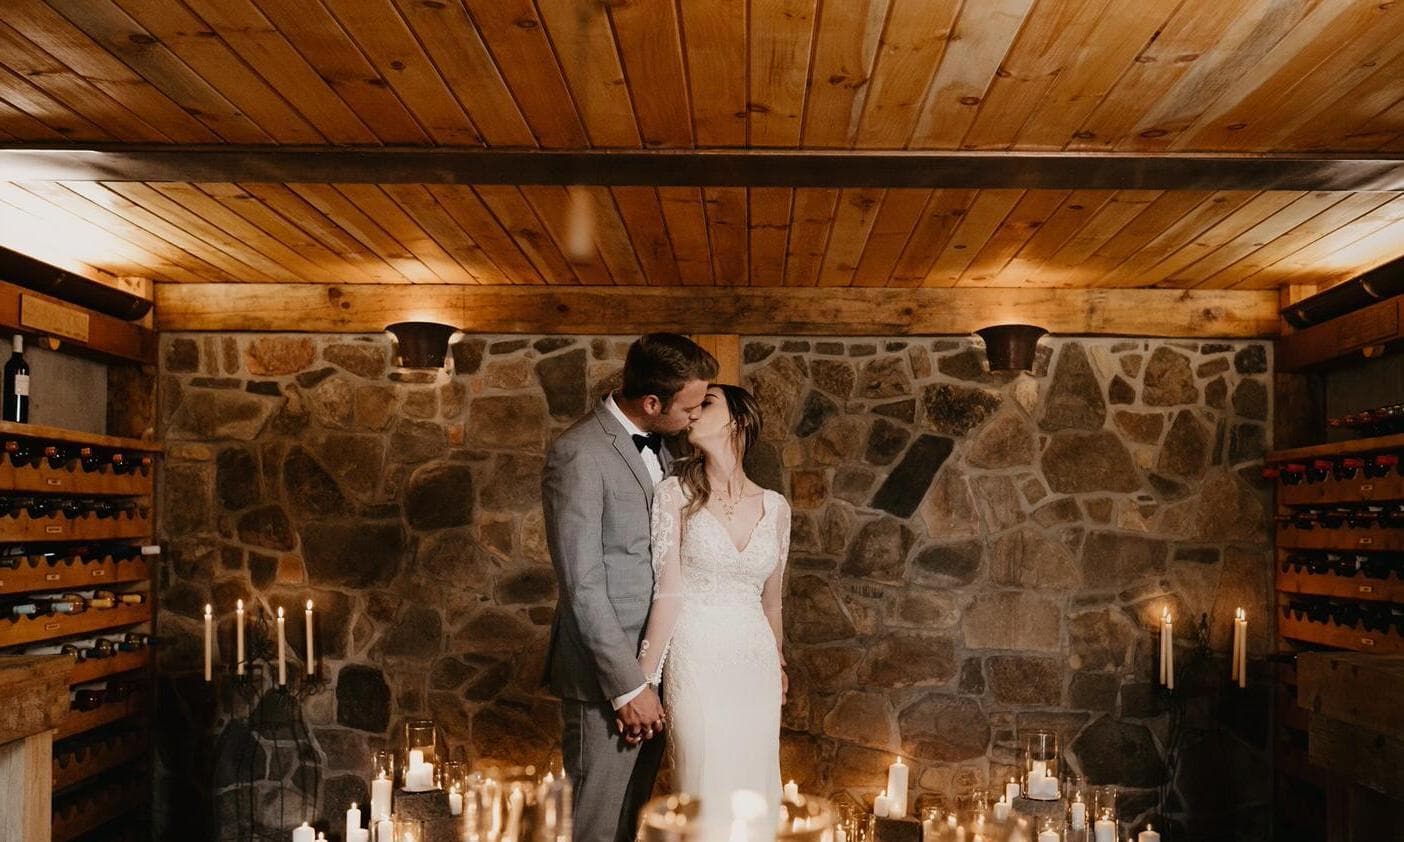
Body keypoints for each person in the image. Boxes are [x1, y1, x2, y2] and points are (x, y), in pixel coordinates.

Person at [542, 333, 718, 842]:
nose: (695, 415)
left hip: (661, 667)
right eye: (688, 406)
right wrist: (628, 686)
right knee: (593, 826)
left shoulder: (670, 446)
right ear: (652, 403)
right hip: (608, 677)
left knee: (632, 821)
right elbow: (582, 583)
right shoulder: (578, 453)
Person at [636, 383, 791, 821]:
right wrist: (643, 681)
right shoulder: (674, 495)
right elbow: (668, 593)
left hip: (756, 667)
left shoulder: (777, 508)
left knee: (754, 790)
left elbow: (772, 603)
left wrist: (779, 662)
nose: (692, 411)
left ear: (738, 421)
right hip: (696, 659)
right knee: (701, 786)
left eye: (707, 403)